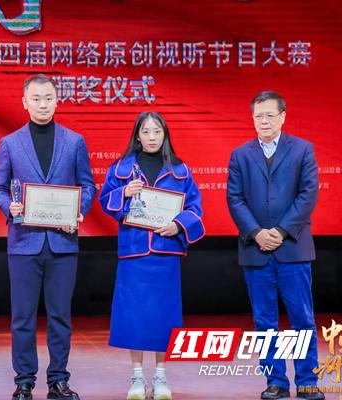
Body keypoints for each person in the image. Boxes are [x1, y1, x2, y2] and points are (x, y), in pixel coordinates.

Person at [0, 74, 96, 400]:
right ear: (25, 102)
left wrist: (79, 211)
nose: (42, 104)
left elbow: (88, 185)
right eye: (36, 99)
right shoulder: (10, 143)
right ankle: (24, 381)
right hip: (24, 242)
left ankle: (58, 381)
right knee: (22, 318)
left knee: (60, 316)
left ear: (57, 100)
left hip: (63, 244)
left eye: (48, 98)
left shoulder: (74, 141)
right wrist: (10, 206)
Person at [99, 111, 205, 400]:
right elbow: (105, 200)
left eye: (157, 131)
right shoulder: (121, 168)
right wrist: (124, 191)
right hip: (133, 253)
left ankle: (160, 376)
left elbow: (195, 208)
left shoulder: (180, 170)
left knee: (164, 317)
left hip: (165, 253)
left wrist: (178, 225)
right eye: (146, 132)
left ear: (165, 134)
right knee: (134, 316)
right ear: (137, 135)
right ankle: (136, 376)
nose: (152, 137)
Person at [226, 91, 325, 400]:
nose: (264, 121)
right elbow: (235, 198)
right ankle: (276, 382)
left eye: (270, 115)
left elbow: (308, 194)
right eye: (258, 116)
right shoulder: (240, 155)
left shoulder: (302, 150)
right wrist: (256, 233)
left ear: (283, 116)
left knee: (302, 319)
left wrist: (281, 231)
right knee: (265, 321)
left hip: (293, 247)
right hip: (256, 249)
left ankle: (307, 381)